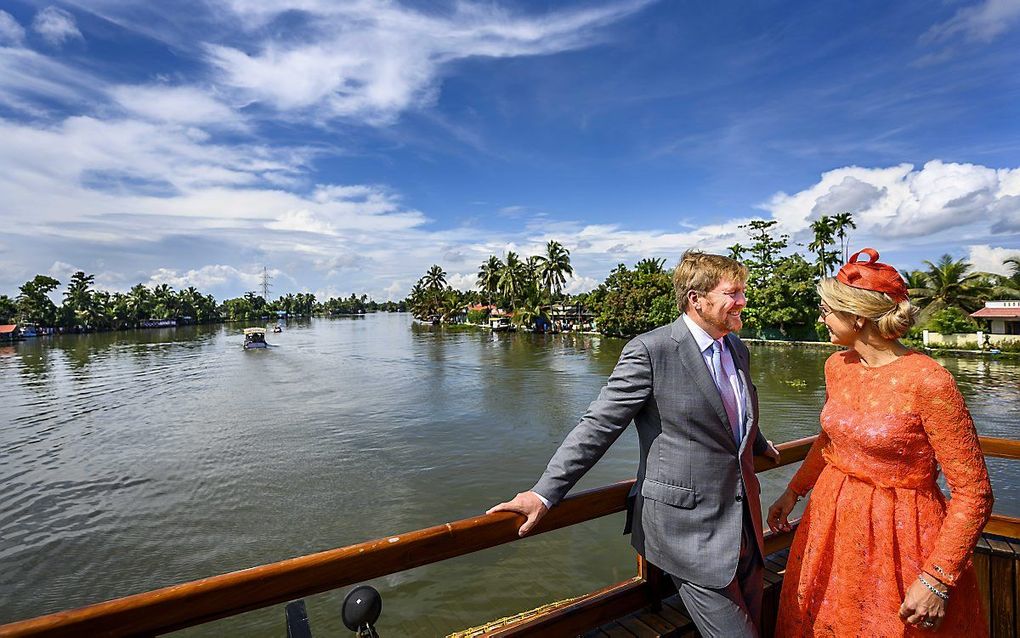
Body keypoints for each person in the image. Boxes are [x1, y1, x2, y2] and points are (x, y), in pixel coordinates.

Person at [488, 250, 779, 638]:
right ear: (696, 299)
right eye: (733, 293)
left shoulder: (736, 348)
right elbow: (598, 427)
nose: (743, 301)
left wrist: (755, 440)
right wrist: (544, 494)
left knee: (758, 623)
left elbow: (735, 407)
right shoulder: (651, 351)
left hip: (745, 526)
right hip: (688, 532)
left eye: (743, 291)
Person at [767, 248, 993, 637]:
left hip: (900, 531)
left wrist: (937, 577)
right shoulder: (837, 366)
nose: (821, 318)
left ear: (858, 316)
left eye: (826, 310)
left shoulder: (929, 381)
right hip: (831, 521)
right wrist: (794, 491)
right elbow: (830, 439)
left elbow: (974, 492)